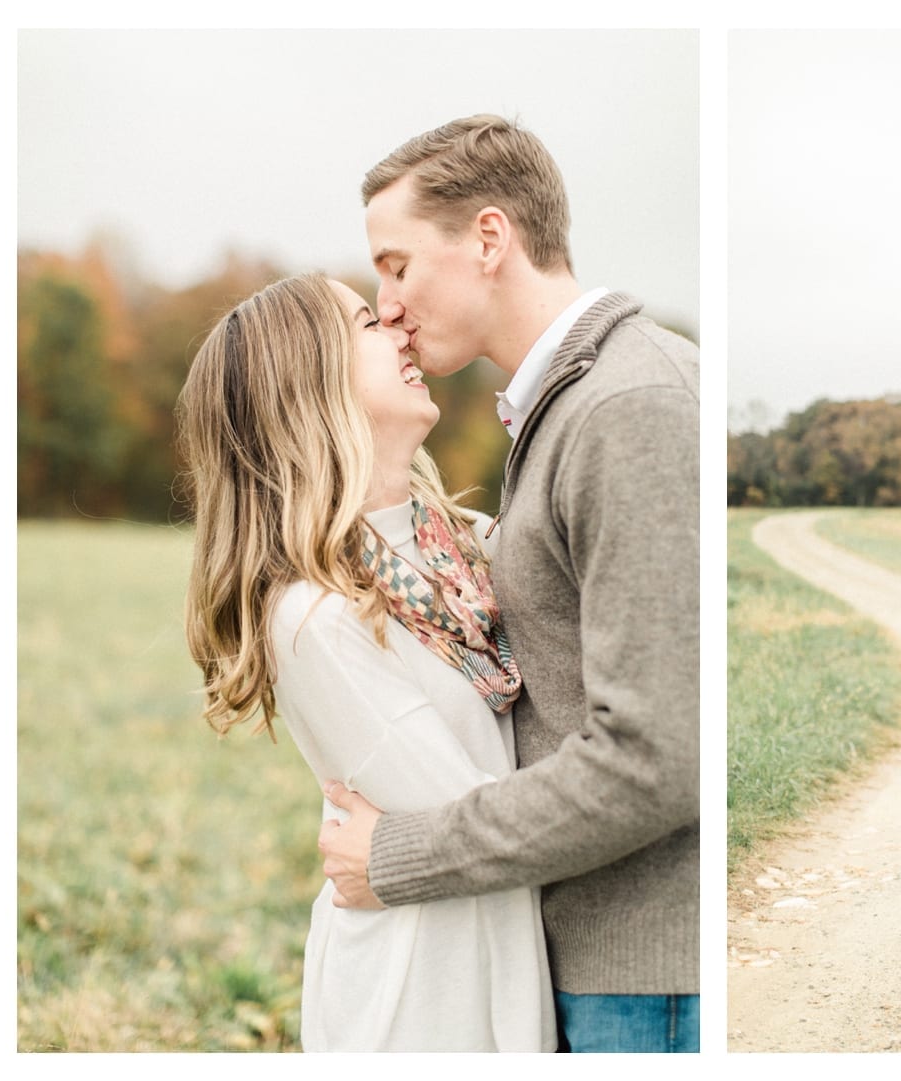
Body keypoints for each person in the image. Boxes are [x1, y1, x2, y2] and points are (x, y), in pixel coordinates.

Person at [314, 115, 700, 1053]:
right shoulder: (570, 405)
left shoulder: (628, 405)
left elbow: (656, 756)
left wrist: (397, 854)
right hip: (600, 961)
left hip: (645, 981)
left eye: (397, 266)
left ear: (490, 238)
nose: (388, 304)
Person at [177, 273, 555, 1051]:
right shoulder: (314, 614)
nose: (398, 325)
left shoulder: (463, 542)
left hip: (504, 956)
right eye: (365, 323)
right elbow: (474, 816)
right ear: (310, 385)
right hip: (419, 997)